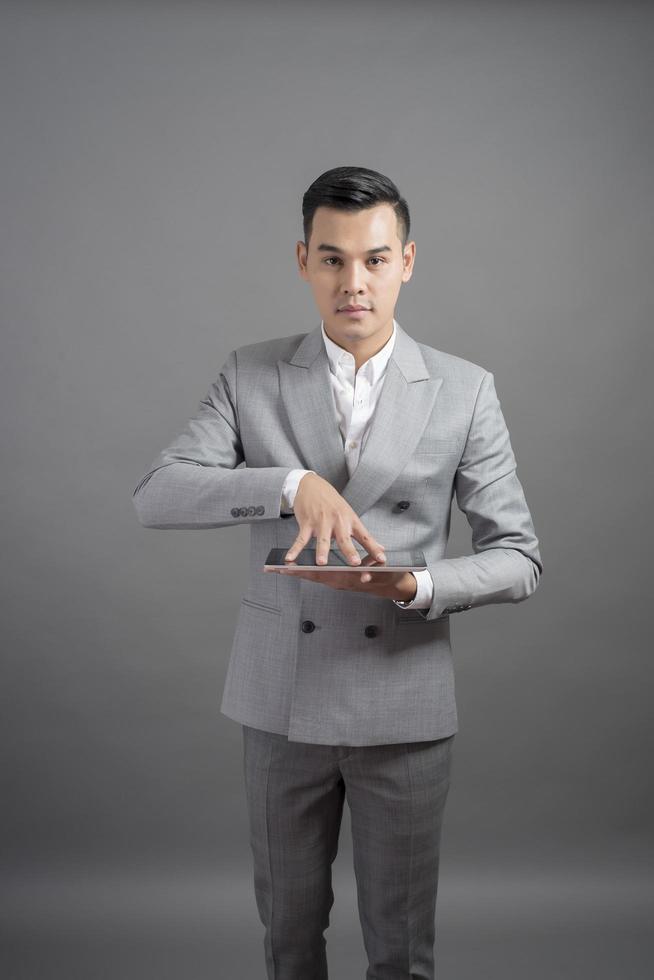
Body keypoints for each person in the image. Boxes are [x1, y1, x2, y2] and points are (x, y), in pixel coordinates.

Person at [132, 165, 543, 980]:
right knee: (288, 939)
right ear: (303, 261)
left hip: (405, 699)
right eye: (332, 260)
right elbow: (157, 495)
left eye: (375, 260)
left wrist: (415, 586)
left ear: (408, 261)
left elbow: (519, 558)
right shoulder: (250, 374)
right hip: (281, 700)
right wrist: (289, 484)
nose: (354, 283)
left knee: (401, 948)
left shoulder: (463, 391)